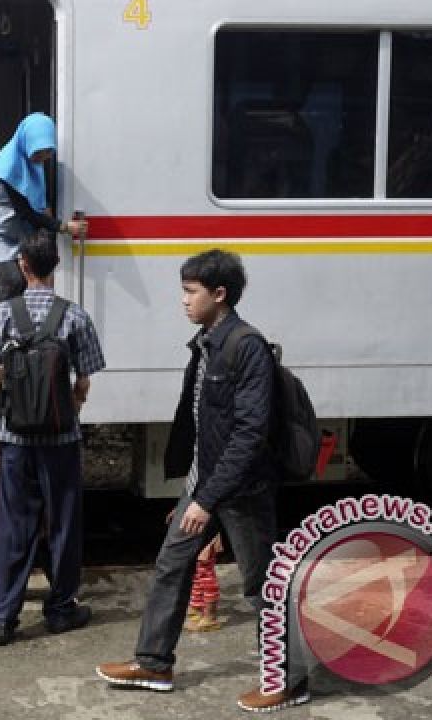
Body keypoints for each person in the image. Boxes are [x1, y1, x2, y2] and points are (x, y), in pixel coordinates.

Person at [96, 248, 308, 713]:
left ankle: (289, 680)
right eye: (183, 291)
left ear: (220, 294)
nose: (183, 301)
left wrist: (205, 499)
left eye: (191, 292)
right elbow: (202, 427)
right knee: (171, 565)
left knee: (261, 586)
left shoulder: (244, 346)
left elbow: (249, 433)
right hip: (206, 484)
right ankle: (153, 663)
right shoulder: (206, 341)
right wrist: (193, 490)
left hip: (242, 492)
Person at [0, 229, 105, 645]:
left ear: (23, 266)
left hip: (13, 438)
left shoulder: (1, 314)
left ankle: (3, 617)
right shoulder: (75, 315)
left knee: (13, 524)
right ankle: (62, 609)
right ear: (55, 267)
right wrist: (69, 409)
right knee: (63, 523)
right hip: (60, 440)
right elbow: (83, 381)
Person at [0, 113, 86, 307]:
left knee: (28, 281)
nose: (43, 157)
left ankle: (14, 330)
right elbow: (27, 213)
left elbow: (38, 199)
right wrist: (63, 227)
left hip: (12, 228)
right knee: (13, 280)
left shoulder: (32, 161)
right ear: (26, 142)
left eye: (48, 151)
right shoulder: (9, 165)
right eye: (38, 152)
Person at [185, 534, 224, 632]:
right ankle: (196, 610)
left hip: (204, 533)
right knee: (195, 573)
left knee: (204, 571)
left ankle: (210, 617)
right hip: (192, 533)